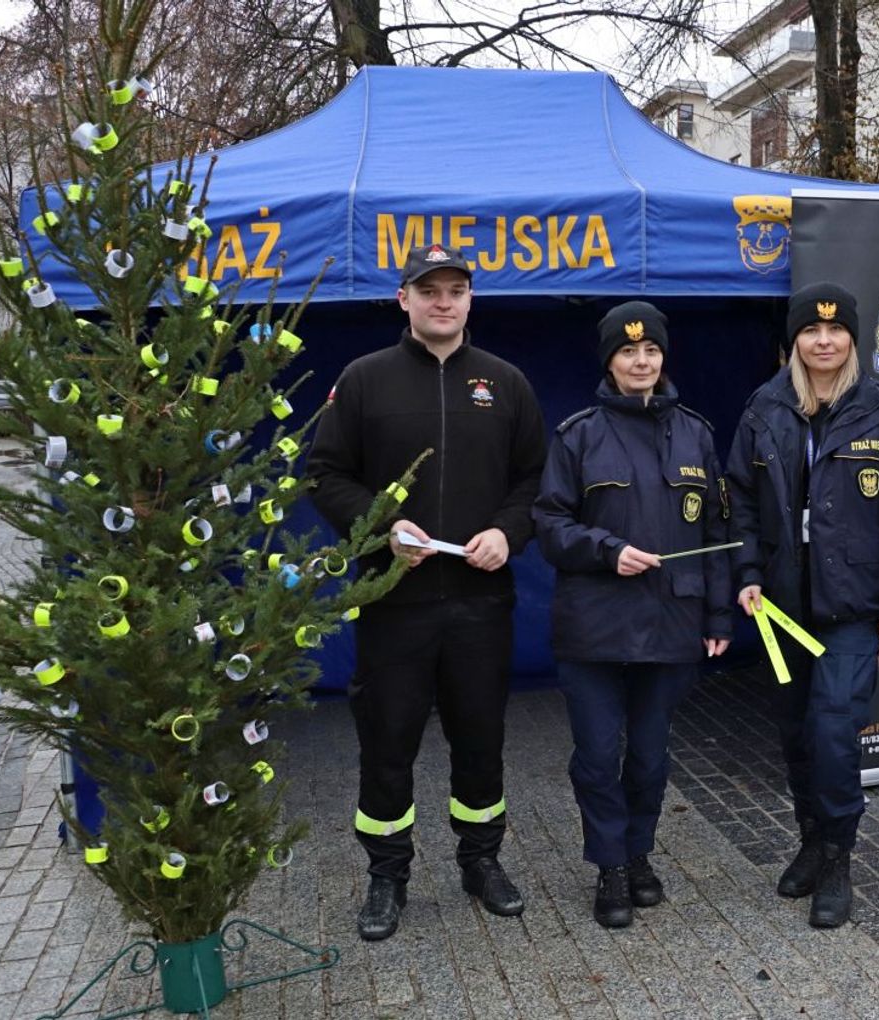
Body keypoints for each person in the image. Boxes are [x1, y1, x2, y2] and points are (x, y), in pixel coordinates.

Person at [308, 244, 547, 940]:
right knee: (387, 743)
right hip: (393, 603)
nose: (444, 302)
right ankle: (387, 874)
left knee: (480, 739)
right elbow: (325, 474)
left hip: (481, 603)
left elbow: (535, 479)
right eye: (429, 290)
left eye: (456, 290)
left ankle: (482, 860)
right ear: (403, 299)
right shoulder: (364, 380)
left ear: (471, 299)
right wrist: (382, 526)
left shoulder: (506, 383)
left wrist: (507, 531)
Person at [726, 282, 879, 928]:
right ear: (794, 341)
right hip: (783, 605)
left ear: (852, 339)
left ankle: (838, 856)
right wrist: (747, 573)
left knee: (835, 731)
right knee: (795, 733)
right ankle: (811, 840)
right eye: (811, 331)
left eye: (836, 330)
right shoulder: (764, 408)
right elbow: (741, 504)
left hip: (853, 605)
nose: (823, 341)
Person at [534, 301, 732, 928]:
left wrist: (719, 617)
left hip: (672, 622)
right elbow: (549, 525)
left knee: (649, 756)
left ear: (663, 357)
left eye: (650, 350)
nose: (641, 361)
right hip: (593, 626)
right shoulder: (578, 435)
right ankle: (610, 865)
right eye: (627, 351)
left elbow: (718, 532)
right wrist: (607, 550)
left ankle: (639, 853)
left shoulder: (697, 433)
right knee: (597, 757)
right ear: (609, 362)